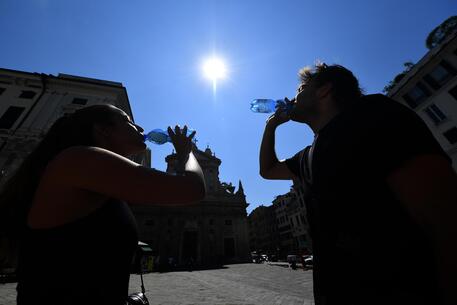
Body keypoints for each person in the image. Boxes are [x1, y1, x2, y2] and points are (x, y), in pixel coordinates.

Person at [259, 62, 457, 305]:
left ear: (324, 90)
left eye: (301, 89)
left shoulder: (374, 114)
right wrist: (271, 125)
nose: (292, 97)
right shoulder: (308, 156)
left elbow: (444, 218)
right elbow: (268, 170)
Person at [0, 104, 206, 304]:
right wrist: (187, 153)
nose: (141, 128)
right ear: (103, 130)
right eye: (128, 121)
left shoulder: (97, 177)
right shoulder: (80, 160)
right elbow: (192, 188)